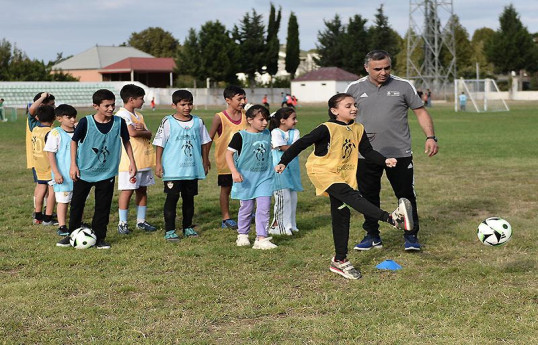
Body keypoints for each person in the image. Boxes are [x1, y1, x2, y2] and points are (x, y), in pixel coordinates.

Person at [275, 93, 414, 279]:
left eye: (354, 105)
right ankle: (391, 218)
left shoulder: (358, 128)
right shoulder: (326, 128)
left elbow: (367, 152)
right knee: (353, 197)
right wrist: (284, 161)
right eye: (348, 106)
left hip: (343, 175)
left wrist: (384, 161)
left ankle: (340, 260)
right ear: (335, 111)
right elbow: (302, 143)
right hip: (322, 171)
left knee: (342, 214)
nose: (354, 108)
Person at [345, 50, 439, 251]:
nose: (383, 72)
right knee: (368, 196)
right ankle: (372, 235)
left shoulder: (403, 86)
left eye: (387, 67)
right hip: (365, 154)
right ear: (366, 67)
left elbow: (420, 112)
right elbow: (342, 116)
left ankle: (411, 236)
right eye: (377, 68)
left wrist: (430, 137)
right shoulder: (354, 87)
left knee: (405, 195)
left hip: (399, 152)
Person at [56, 89, 137, 249]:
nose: (110, 108)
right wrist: (73, 164)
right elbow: (74, 142)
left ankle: (100, 238)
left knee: (103, 207)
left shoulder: (119, 122)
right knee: (77, 205)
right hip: (84, 172)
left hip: (106, 173)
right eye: (106, 105)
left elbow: (127, 142)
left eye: (113, 105)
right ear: (96, 106)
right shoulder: (86, 122)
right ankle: (72, 235)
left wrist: (132, 162)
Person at [153, 90, 211, 241]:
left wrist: (205, 161)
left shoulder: (198, 122)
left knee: (189, 199)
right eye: (183, 104)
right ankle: (170, 230)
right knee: (172, 198)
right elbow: (160, 143)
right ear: (174, 105)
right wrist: (158, 163)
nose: (187, 107)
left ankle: (187, 227)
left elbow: (205, 142)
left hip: (191, 168)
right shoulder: (168, 121)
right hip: (173, 169)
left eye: (189, 103)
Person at [226, 104, 277, 250]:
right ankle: (242, 235)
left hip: (264, 177)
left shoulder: (267, 133)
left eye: (266, 119)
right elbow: (228, 154)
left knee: (264, 207)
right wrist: (234, 172)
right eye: (261, 119)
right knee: (247, 208)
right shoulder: (240, 136)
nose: (265, 122)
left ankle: (261, 238)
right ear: (249, 120)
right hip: (246, 178)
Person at [115, 84, 156, 234]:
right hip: (129, 162)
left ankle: (141, 221)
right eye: (141, 98)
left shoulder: (139, 116)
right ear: (131, 99)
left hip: (143, 160)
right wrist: (144, 131)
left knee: (142, 190)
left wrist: (144, 131)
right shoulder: (122, 115)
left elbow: (147, 132)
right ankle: (122, 222)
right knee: (127, 191)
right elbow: (132, 132)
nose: (143, 101)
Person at [207, 85, 247, 230]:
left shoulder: (246, 115)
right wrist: (205, 158)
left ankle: (247, 212)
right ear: (228, 100)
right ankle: (226, 218)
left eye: (244, 98)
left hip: (244, 161)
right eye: (239, 98)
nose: (243, 101)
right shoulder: (220, 117)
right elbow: (209, 138)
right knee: (226, 188)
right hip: (225, 161)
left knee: (247, 186)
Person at [268, 107, 303, 236]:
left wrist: (292, 147)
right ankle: (278, 226)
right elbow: (286, 148)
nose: (296, 121)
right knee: (283, 198)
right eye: (293, 118)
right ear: (282, 121)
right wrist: (292, 147)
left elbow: (295, 148)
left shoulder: (296, 132)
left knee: (293, 198)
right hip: (279, 170)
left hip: (292, 170)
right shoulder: (275, 132)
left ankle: (291, 225)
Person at [45, 104, 77, 236]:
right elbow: (51, 154)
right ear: (59, 118)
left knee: (77, 200)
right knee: (63, 201)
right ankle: (62, 225)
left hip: (78, 174)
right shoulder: (55, 133)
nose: (72, 120)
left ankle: (77, 222)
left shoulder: (78, 131)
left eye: (74, 117)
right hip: (63, 174)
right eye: (68, 117)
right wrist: (56, 173)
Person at [27, 92, 56, 224]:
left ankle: (37, 215)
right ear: (54, 118)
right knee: (52, 191)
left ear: (38, 117)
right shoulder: (50, 132)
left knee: (40, 188)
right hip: (49, 165)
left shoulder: (35, 129)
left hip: (38, 164)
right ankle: (48, 217)